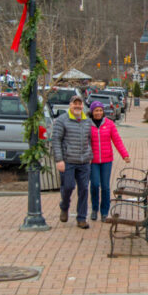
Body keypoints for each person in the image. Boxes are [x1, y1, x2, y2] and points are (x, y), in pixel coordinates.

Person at [52, 95, 93, 229]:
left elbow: (91, 139)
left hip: (84, 161)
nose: (77, 106)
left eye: (79, 104)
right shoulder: (62, 120)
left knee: (84, 190)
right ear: (70, 105)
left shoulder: (87, 121)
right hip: (68, 161)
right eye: (74, 104)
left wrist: (90, 154)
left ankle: (81, 218)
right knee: (68, 187)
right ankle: (64, 206)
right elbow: (56, 140)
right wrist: (59, 160)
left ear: (83, 106)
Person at [89, 100, 131, 222]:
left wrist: (125, 155)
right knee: (95, 185)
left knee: (105, 187)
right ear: (92, 112)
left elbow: (117, 140)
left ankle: (104, 211)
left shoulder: (109, 124)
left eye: (100, 110)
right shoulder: (87, 124)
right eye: (96, 110)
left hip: (107, 160)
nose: (98, 113)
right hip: (93, 161)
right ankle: (94, 209)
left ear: (103, 112)